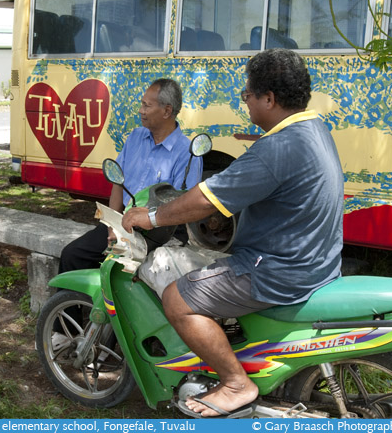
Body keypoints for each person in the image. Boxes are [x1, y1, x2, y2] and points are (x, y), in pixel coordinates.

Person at [122, 49, 344, 418]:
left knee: (178, 298)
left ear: (269, 99)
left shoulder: (278, 147)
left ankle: (236, 383)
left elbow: (206, 199)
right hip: (316, 261)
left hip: (279, 270)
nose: (246, 103)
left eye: (247, 96)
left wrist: (155, 215)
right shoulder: (315, 129)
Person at [58, 78, 203, 273]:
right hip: (123, 224)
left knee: (123, 273)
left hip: (159, 231)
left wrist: (143, 225)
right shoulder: (135, 137)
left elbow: (184, 205)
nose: (141, 110)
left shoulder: (185, 152)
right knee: (73, 256)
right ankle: (72, 304)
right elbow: (118, 183)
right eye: (141, 104)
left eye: (146, 106)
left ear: (167, 111)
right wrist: (112, 225)